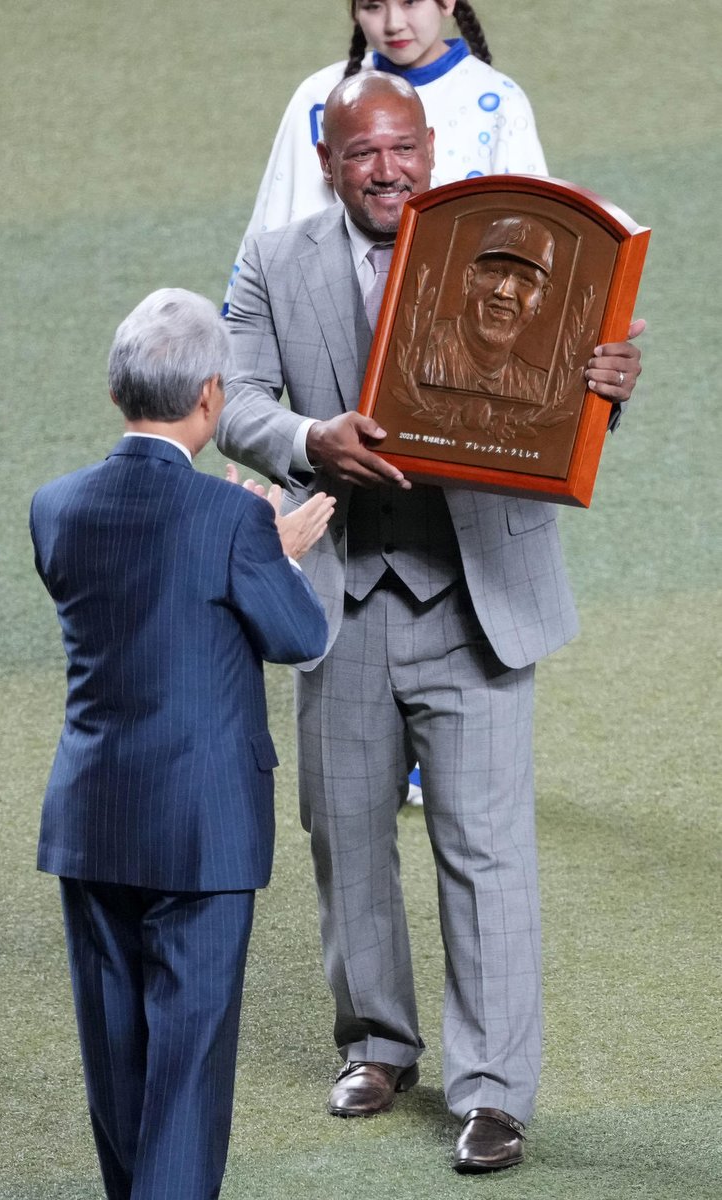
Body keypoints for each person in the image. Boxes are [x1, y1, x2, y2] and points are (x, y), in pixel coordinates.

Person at [216, 72, 644, 1174]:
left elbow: (566, 381)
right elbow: (241, 402)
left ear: (428, 147)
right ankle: (375, 1044)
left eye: (401, 147)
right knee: (344, 834)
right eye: (361, 153)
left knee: (485, 850)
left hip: (474, 604)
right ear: (328, 161)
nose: (385, 169)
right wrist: (314, 442)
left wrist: (607, 380)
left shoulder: (506, 251)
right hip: (342, 601)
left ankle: (492, 1091)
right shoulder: (274, 261)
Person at [29, 288, 333, 1200]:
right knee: (187, 1075)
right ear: (210, 396)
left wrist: (242, 555)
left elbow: (137, 604)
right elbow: (301, 639)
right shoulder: (230, 520)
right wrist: (273, 558)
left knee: (117, 1064)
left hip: (91, 819)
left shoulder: (56, 507)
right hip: (201, 830)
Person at [222, 0, 546, 313]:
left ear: (447, 2)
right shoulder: (317, 97)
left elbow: (531, 239)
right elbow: (276, 226)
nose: (393, 23)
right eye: (373, 5)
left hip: (447, 321)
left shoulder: (501, 101)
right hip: (326, 320)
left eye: (410, 2)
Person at [420, 214, 555, 400]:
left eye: (525, 280)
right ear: (469, 279)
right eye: (495, 272)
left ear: (542, 297)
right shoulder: (420, 356)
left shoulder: (538, 388)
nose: (504, 291)